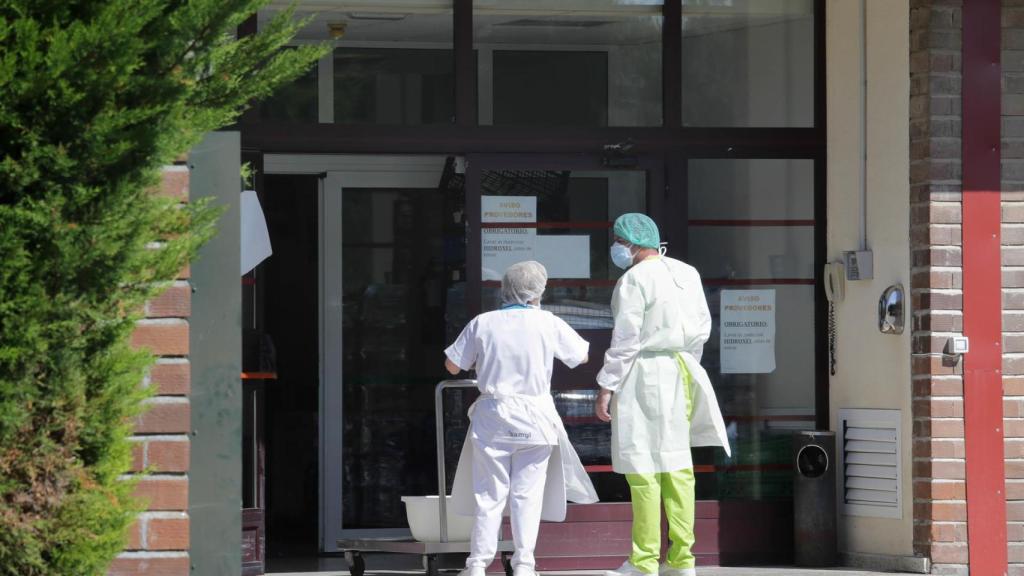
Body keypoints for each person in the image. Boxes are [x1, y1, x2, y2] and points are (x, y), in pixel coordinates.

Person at [595, 214, 731, 576]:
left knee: (643, 468)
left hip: (643, 373)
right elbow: (702, 329)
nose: (616, 248)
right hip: (682, 370)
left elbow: (626, 340)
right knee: (678, 467)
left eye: (617, 241)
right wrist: (688, 366)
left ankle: (643, 560)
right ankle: (683, 559)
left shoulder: (633, 280)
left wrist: (607, 386)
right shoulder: (687, 273)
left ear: (629, 244)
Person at [444, 261, 599, 576]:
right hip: (535, 419)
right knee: (527, 496)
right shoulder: (547, 322)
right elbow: (580, 355)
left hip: (493, 418)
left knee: (489, 495)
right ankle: (524, 564)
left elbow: (452, 366)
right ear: (537, 292)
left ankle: (476, 565)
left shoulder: (482, 322)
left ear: (505, 289)